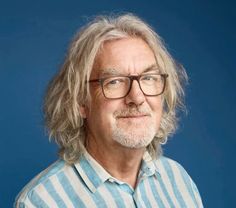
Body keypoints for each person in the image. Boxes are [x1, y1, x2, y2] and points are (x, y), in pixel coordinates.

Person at [15, 13, 203, 208]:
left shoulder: (179, 182)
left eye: (148, 78)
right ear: (80, 101)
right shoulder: (40, 202)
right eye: (114, 82)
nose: (137, 98)